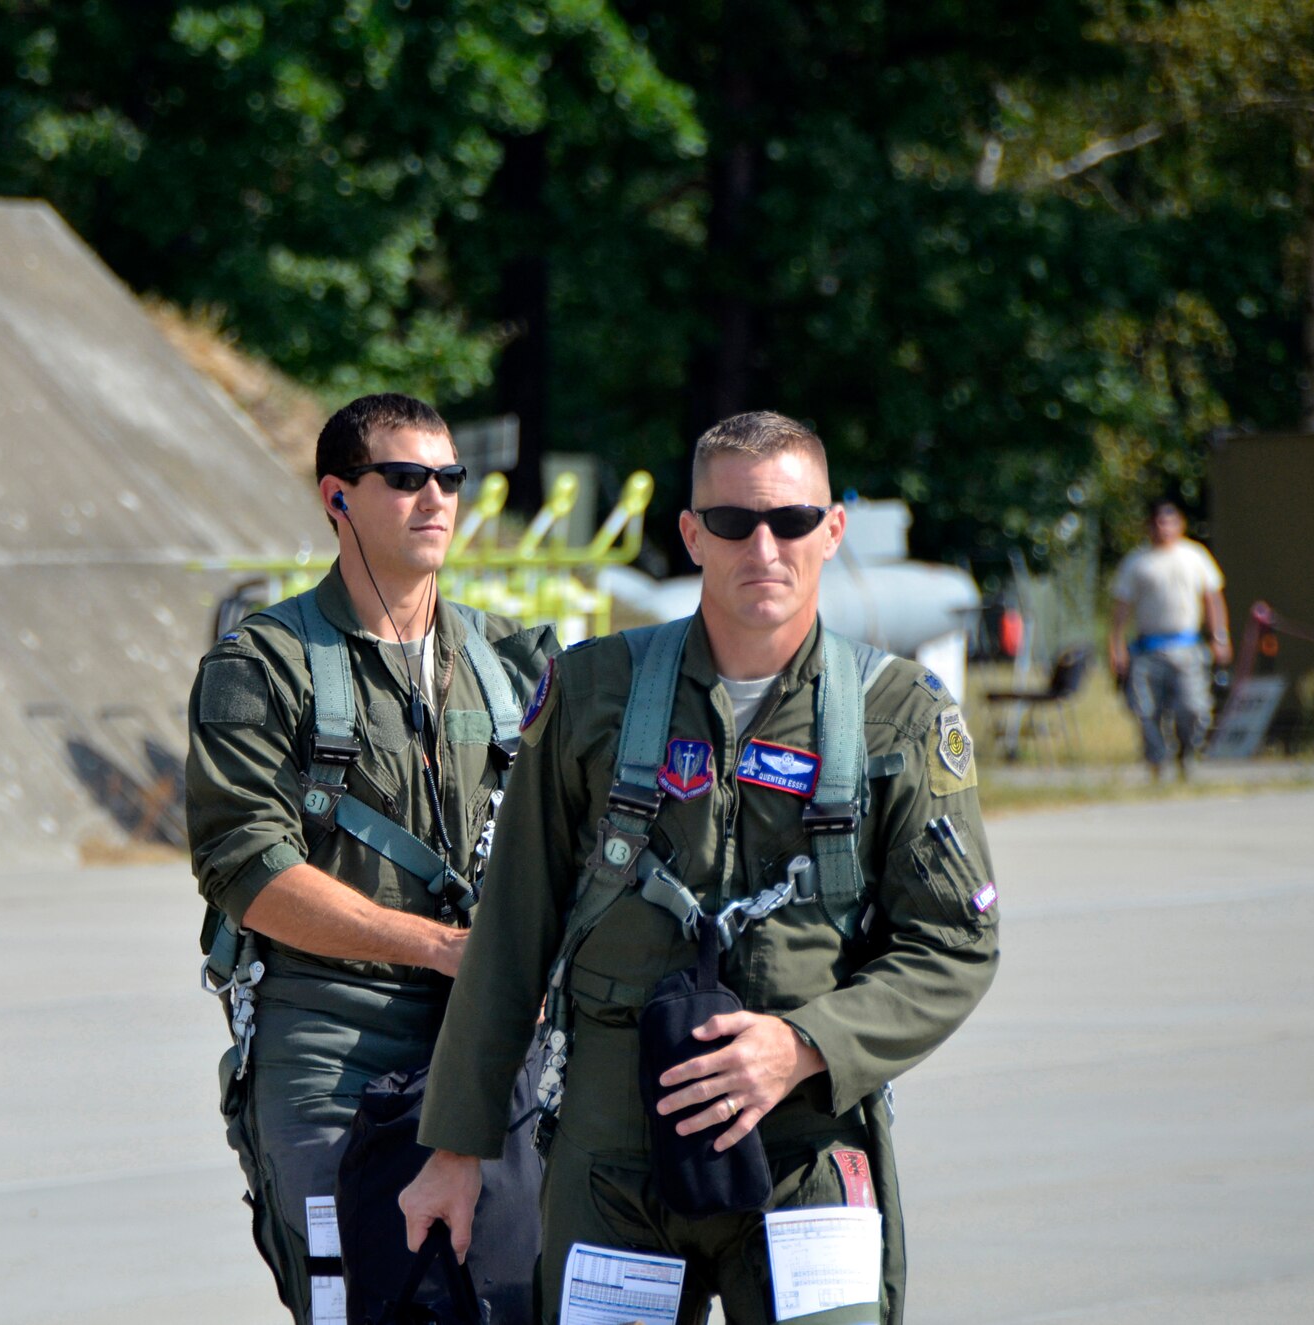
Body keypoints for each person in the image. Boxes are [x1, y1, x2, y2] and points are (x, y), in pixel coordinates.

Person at [398, 411, 1001, 1325]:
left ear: (833, 529)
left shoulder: (900, 716)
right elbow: (511, 932)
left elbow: (956, 942)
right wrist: (454, 1149)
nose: (765, 546)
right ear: (690, 533)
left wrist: (801, 1046)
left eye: (793, 520)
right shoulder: (592, 690)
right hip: (614, 1156)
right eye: (731, 522)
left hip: (803, 1145)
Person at [186, 393, 558, 1324]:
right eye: (404, 478)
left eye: (450, 478)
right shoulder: (259, 666)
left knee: (511, 1301)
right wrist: (437, 946)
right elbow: (247, 867)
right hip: (332, 1045)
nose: (435, 498)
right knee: (358, 1303)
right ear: (337, 497)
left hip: (494, 1046)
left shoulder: (516, 664)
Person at [1107, 499, 1231, 779]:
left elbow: (1212, 598)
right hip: (1148, 648)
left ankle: (1187, 754)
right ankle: (1157, 762)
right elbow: (1121, 608)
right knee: (1145, 710)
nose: (1164, 528)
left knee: (1194, 708)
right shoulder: (1138, 562)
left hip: (1186, 646)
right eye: (1158, 522)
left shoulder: (1194, 556)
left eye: (1170, 521)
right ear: (1149, 526)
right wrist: (1116, 645)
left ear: (1180, 524)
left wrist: (1219, 636)